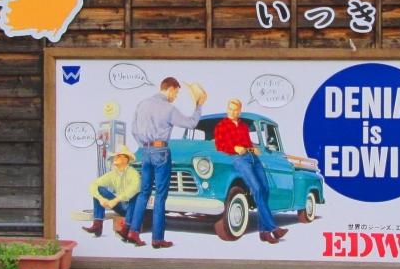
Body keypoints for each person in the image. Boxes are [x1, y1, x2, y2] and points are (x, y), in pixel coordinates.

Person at [122, 77, 207, 248]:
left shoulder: (142, 104)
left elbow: (133, 130)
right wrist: (198, 106)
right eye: (176, 93)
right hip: (161, 152)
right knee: (160, 196)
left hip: (145, 152)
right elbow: (191, 124)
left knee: (144, 193)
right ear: (170, 88)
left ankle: (133, 232)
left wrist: (144, 147)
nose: (175, 97)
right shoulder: (168, 109)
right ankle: (157, 239)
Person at [213, 98, 288, 243]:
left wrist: (253, 148)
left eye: (235, 109)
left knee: (265, 189)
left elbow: (247, 142)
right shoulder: (221, 126)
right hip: (238, 159)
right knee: (257, 189)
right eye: (230, 109)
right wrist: (234, 148)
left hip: (253, 157)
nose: (232, 112)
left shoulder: (243, 126)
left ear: (239, 111)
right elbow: (220, 145)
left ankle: (264, 232)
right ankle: (273, 229)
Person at [81, 143, 138, 237]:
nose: (115, 158)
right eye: (115, 156)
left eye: (118, 156)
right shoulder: (113, 174)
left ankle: (127, 228)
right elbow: (93, 184)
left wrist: (115, 200)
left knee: (135, 195)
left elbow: (133, 189)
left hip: (132, 208)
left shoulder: (133, 173)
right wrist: (101, 199)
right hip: (121, 206)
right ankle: (97, 225)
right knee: (99, 189)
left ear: (125, 159)